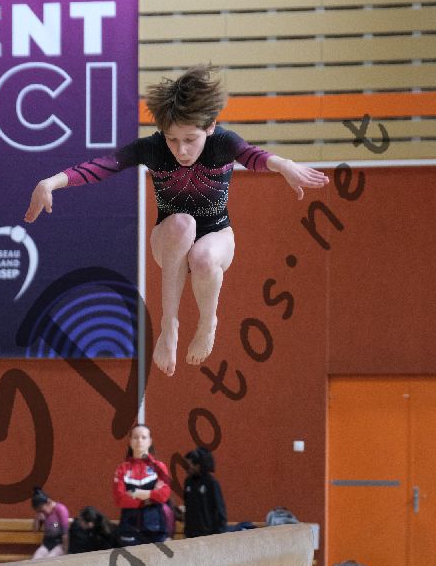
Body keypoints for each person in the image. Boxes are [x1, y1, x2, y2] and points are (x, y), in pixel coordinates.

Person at [24, 65, 328, 376]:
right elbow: (104, 165)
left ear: (210, 127)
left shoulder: (223, 143)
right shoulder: (153, 148)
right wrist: (51, 182)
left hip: (217, 237)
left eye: (190, 139)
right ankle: (169, 326)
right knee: (183, 223)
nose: (181, 150)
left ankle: (207, 322)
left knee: (203, 257)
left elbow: (253, 155)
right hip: (169, 239)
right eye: (172, 139)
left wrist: (284, 165)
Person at [112, 423, 183, 566]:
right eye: (135, 437)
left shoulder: (159, 467)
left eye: (144, 437)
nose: (139, 441)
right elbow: (120, 499)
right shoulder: (122, 469)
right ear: (130, 441)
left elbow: (164, 495)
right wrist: (149, 495)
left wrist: (137, 493)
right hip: (130, 528)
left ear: (150, 441)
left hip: (155, 527)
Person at [178, 446, 228, 566]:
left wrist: (219, 534)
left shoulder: (212, 483)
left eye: (191, 464)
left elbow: (220, 510)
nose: (188, 467)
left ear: (200, 464)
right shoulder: (188, 482)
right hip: (192, 531)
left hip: (208, 533)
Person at [31, 487, 70, 559]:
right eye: (39, 511)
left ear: (48, 502)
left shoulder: (60, 509)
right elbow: (35, 531)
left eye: (42, 510)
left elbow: (65, 533)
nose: (42, 512)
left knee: (49, 559)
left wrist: (65, 552)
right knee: (35, 559)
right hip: (47, 543)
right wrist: (37, 519)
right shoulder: (41, 513)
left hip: (59, 543)